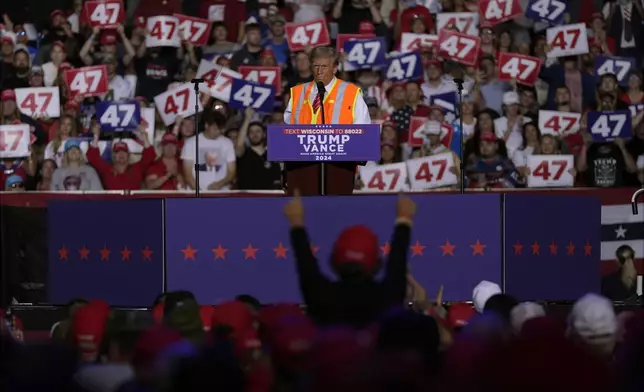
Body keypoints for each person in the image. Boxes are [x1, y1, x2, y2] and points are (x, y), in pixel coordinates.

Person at [283, 190, 414, 327]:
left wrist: (296, 222)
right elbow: (397, 266)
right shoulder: (388, 299)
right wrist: (404, 219)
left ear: (334, 261)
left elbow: (306, 267)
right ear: (377, 263)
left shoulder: (321, 298)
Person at [283, 46, 371, 196]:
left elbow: (363, 134)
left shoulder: (351, 93)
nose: (319, 71)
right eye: (316, 66)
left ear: (335, 68)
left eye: (324, 66)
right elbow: (286, 134)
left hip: (339, 170)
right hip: (302, 172)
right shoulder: (298, 93)